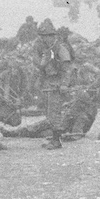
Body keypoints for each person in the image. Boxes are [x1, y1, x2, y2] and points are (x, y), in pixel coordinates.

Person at [32, 19, 74, 149]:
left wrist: (64, 84)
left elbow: (67, 69)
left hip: (57, 83)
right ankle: (54, 138)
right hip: (48, 83)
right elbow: (40, 66)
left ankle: (56, 140)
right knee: (49, 113)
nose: (45, 40)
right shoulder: (45, 49)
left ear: (53, 36)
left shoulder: (60, 49)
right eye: (43, 37)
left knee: (55, 112)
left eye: (47, 36)